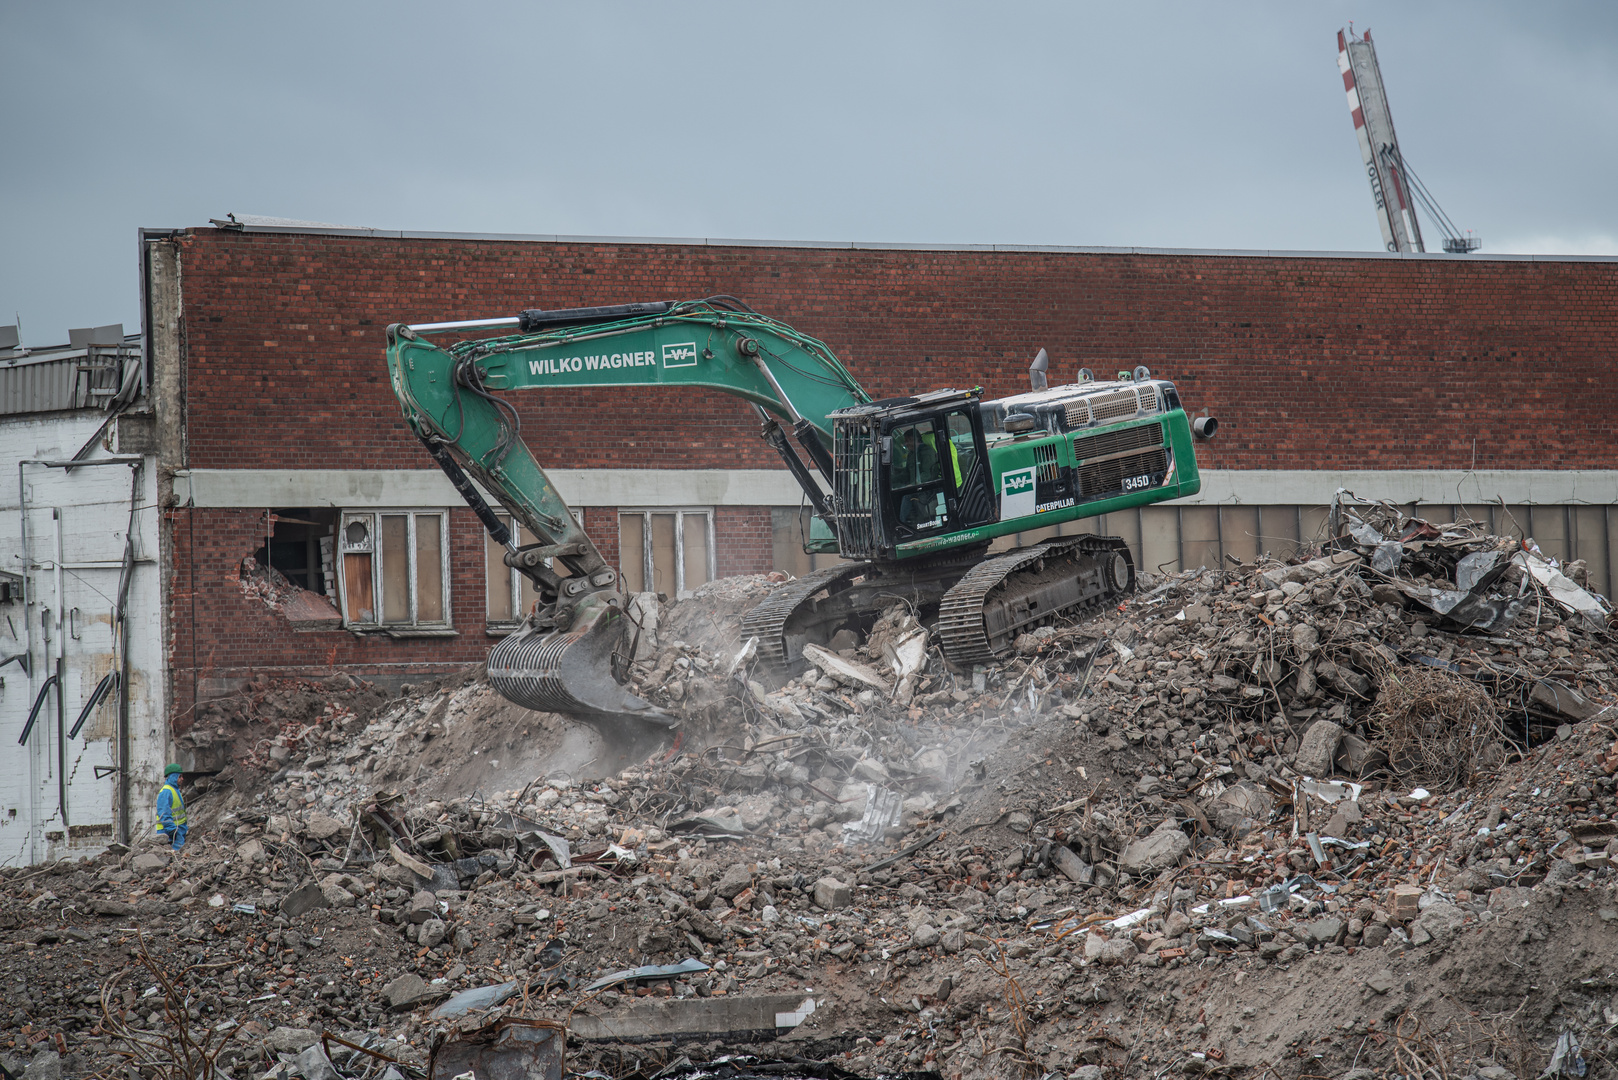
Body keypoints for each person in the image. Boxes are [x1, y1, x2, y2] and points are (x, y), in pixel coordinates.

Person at [154, 764, 188, 851]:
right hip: (169, 832)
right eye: (179, 776)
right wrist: (172, 830)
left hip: (177, 830)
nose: (182, 779)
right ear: (173, 776)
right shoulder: (166, 792)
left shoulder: (174, 790)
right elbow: (164, 813)